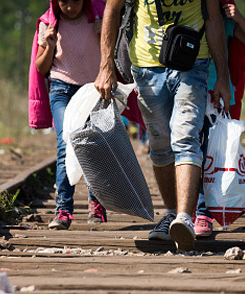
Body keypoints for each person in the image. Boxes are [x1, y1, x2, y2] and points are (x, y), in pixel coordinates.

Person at [95, 0, 231, 250]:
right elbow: (111, 10)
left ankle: (184, 218)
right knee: (159, 144)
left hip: (192, 60)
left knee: (187, 138)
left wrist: (222, 75)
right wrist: (106, 66)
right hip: (147, 67)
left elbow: (213, 18)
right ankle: (170, 215)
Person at [33, 0, 107, 230]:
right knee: (67, 143)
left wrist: (104, 33)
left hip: (93, 90)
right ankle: (63, 209)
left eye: (75, 0)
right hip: (62, 89)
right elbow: (41, 68)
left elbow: (115, 55)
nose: (70, 6)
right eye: (64, 1)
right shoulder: (49, 24)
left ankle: (97, 202)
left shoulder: (99, 17)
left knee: (94, 145)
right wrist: (50, 45)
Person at [194, 0, 245, 237]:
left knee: (209, 155)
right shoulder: (188, 15)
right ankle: (192, 211)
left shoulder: (225, 22)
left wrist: (238, 18)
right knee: (191, 152)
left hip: (218, 95)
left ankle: (203, 213)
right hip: (189, 90)